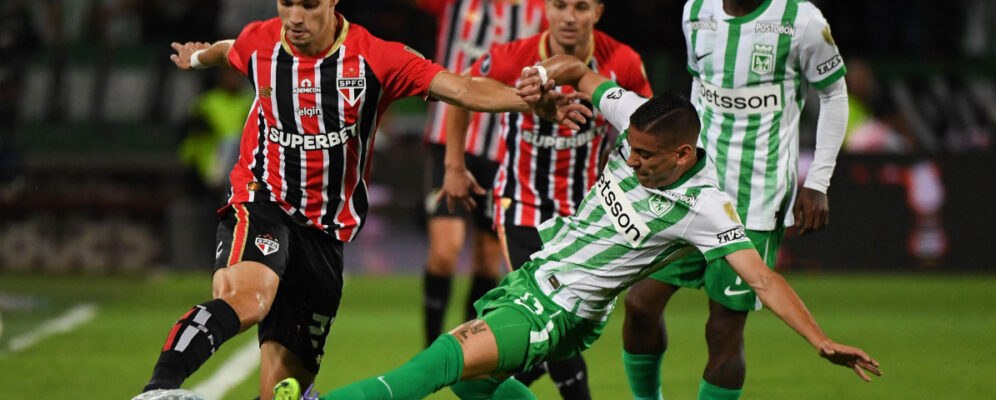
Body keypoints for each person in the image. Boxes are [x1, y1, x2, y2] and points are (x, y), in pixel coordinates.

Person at [271, 56, 880, 400]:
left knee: (438, 363)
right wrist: (544, 73)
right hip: (532, 280)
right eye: (630, 149)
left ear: (683, 155)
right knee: (473, 388)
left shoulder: (705, 205)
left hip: (561, 309)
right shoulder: (634, 118)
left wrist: (820, 340)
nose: (631, 161)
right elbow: (581, 72)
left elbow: (764, 279)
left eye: (646, 157)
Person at [132, 1, 588, 399]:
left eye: (308, 4)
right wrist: (197, 57)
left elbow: (463, 88)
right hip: (262, 199)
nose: (294, 17)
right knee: (249, 298)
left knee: (285, 389)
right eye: (287, 2)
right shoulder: (261, 41)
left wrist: (529, 103)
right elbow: (227, 49)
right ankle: (158, 389)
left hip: (326, 231)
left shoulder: (376, 57)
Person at [621, 1, 851, 399]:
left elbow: (834, 96)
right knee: (640, 304)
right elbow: (699, 90)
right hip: (690, 189)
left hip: (756, 197)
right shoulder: (696, 10)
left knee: (723, 328)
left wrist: (818, 181)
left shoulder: (803, 21)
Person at [441, 0, 650, 397]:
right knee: (553, 309)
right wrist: (454, 165)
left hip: (586, 217)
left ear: (598, 11)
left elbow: (647, 130)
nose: (569, 17)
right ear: (545, 9)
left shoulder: (623, 62)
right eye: (559, 5)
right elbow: (460, 92)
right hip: (522, 207)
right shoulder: (513, 57)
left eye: (581, 7)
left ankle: (488, 386)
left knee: (556, 331)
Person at [414, 0, 548, 350]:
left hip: (504, 147)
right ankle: (430, 349)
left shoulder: (542, 8)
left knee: (489, 258)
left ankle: (464, 352)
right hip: (449, 139)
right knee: (445, 249)